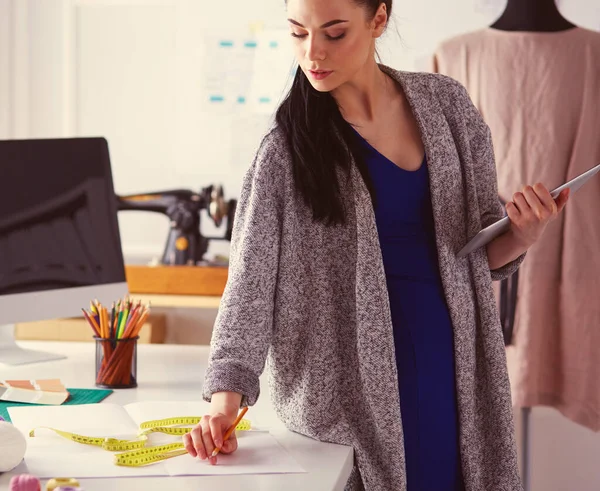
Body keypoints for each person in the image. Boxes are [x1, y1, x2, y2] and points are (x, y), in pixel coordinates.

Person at [182, 1, 570, 489]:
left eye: (334, 33)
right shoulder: (286, 150)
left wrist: (524, 233)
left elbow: (476, 254)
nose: (313, 53)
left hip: (454, 370)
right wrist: (224, 404)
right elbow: (249, 288)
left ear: (378, 20)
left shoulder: (448, 107)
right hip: (350, 395)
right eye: (299, 34)